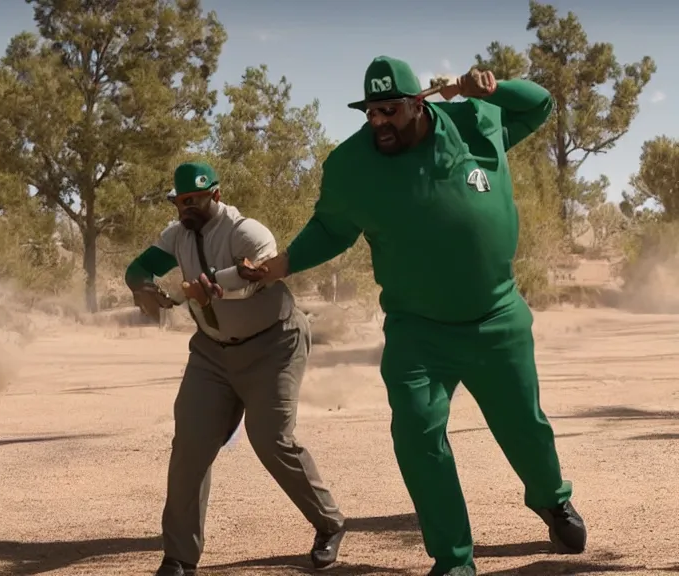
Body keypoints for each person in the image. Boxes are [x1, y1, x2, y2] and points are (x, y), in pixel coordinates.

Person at [245, 57, 587, 576]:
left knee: (525, 427)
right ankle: (453, 560)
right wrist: (284, 263)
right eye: (370, 112)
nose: (378, 121)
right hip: (417, 328)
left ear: (417, 104)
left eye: (389, 110)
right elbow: (331, 228)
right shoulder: (351, 166)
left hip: (497, 316)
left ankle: (550, 498)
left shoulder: (477, 121)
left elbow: (539, 105)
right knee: (416, 433)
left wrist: (488, 90)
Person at [125, 161, 347, 576]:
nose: (187, 207)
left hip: (274, 345)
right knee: (190, 445)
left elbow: (254, 276)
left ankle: (329, 524)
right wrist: (144, 289)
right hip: (211, 353)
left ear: (217, 195)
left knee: (270, 439)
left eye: (196, 199)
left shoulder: (248, 231)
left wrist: (209, 284)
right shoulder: (176, 237)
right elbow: (137, 269)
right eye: (181, 201)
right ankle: (179, 558)